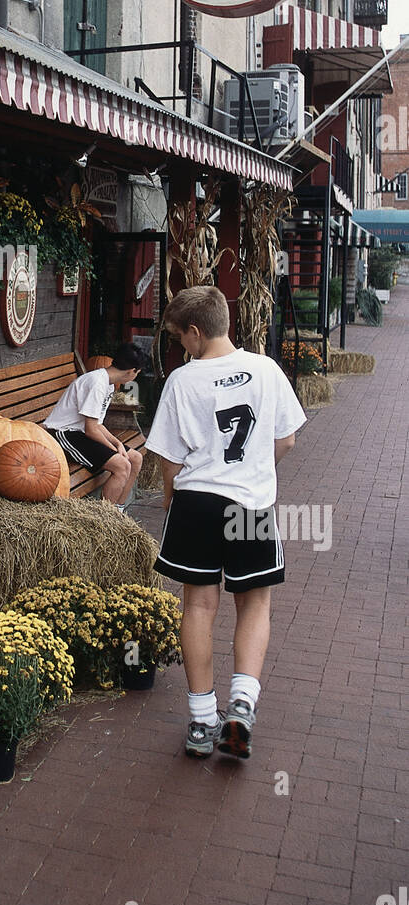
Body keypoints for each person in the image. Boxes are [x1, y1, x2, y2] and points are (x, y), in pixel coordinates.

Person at [144, 286, 306, 760]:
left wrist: (172, 500)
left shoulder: (182, 380)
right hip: (249, 506)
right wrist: (258, 470)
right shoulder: (267, 369)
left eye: (179, 339)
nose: (180, 348)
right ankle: (241, 706)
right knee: (254, 605)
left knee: (198, 607)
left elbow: (168, 459)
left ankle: (200, 722)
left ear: (195, 333)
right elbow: (288, 440)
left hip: (197, 504)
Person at [44, 343, 149, 510]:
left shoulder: (107, 383)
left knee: (136, 458)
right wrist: (114, 451)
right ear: (131, 371)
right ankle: (106, 517)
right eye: (138, 372)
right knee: (122, 466)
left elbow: (97, 425)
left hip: (80, 432)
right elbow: (91, 429)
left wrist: (118, 444)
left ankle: (118, 511)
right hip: (62, 434)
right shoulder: (96, 383)